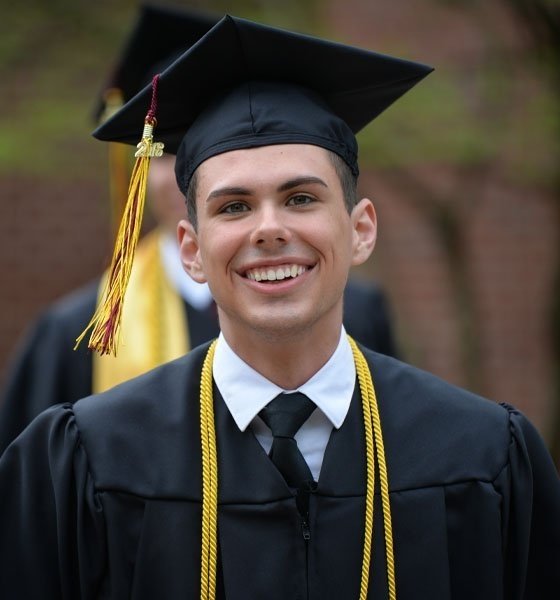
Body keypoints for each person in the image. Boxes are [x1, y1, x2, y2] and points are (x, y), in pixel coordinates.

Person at [2, 15, 557, 599]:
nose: (269, 229)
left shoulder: (483, 455)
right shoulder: (89, 460)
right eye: (235, 207)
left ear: (361, 230)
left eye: (300, 198)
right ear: (191, 248)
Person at [0, 7, 398, 456]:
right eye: (171, 152)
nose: (188, 175)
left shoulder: (357, 311)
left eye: (298, 198)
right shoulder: (78, 332)